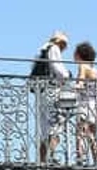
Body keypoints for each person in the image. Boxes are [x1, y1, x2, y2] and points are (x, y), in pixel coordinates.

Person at [31, 31, 72, 163]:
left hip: (41, 93)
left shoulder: (42, 51)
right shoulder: (53, 49)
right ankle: (51, 157)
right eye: (64, 46)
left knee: (44, 130)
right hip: (51, 92)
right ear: (60, 42)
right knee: (56, 126)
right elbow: (58, 69)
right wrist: (68, 75)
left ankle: (41, 162)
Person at [73, 41, 97, 165]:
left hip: (84, 103)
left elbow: (80, 84)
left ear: (79, 54)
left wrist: (70, 87)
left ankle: (80, 158)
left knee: (80, 131)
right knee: (92, 133)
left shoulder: (83, 66)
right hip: (94, 103)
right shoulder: (96, 71)